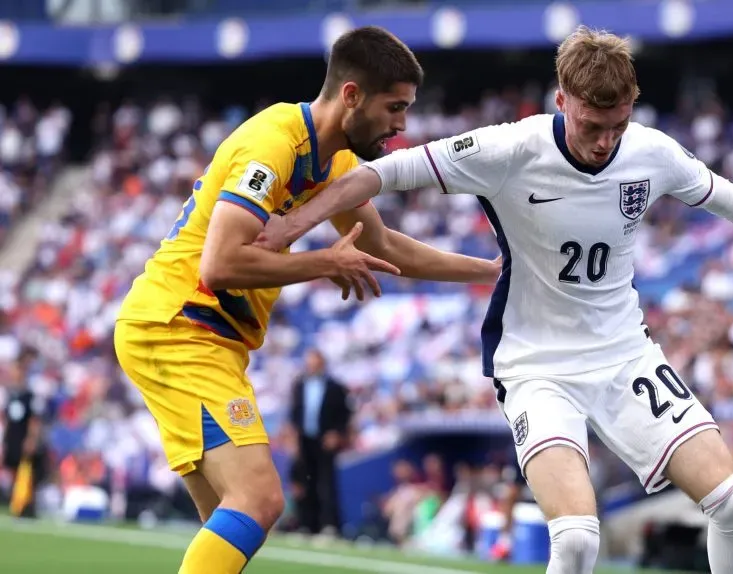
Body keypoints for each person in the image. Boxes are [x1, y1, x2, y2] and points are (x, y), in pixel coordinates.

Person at [256, 26, 733, 574]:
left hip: (625, 356)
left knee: (732, 500)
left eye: (617, 125)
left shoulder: (651, 153)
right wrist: (291, 225)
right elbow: (380, 172)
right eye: (592, 125)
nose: (604, 142)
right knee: (579, 539)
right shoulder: (510, 148)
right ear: (562, 100)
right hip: (537, 367)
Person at [113, 26, 499, 574]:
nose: (402, 125)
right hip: (179, 326)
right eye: (395, 107)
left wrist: (488, 271)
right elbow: (219, 266)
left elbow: (384, 246)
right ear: (351, 96)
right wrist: (323, 262)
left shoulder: (335, 162)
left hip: (203, 338)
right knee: (261, 500)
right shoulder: (273, 144)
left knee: (230, 520)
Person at [288, 349, 352, 536]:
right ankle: (307, 524)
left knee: (326, 483)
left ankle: (329, 525)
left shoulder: (334, 386)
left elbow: (344, 413)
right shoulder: (300, 384)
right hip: (304, 439)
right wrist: (294, 437)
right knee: (305, 482)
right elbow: (295, 412)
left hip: (325, 440)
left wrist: (336, 434)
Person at [1, 353, 45, 518]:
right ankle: (16, 502)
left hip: (23, 437)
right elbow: (7, 419)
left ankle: (28, 506)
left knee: (26, 472)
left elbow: (34, 419)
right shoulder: (11, 394)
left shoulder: (29, 395)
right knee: (12, 471)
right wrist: (4, 441)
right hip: (12, 438)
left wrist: (31, 439)